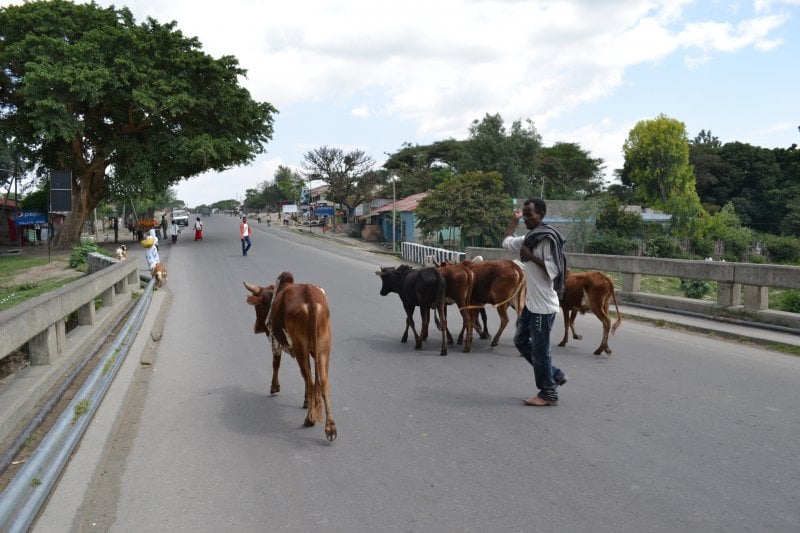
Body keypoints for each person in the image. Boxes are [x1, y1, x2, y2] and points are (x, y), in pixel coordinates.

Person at [502, 198, 568, 406]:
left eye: (529, 214)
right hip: (532, 305)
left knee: (540, 350)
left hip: (544, 307)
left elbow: (555, 270)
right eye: (524, 214)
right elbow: (505, 242)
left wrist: (529, 256)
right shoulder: (529, 237)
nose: (526, 219)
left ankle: (548, 393)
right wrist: (514, 220)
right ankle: (554, 375)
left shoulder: (546, 238)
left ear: (541, 214)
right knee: (520, 341)